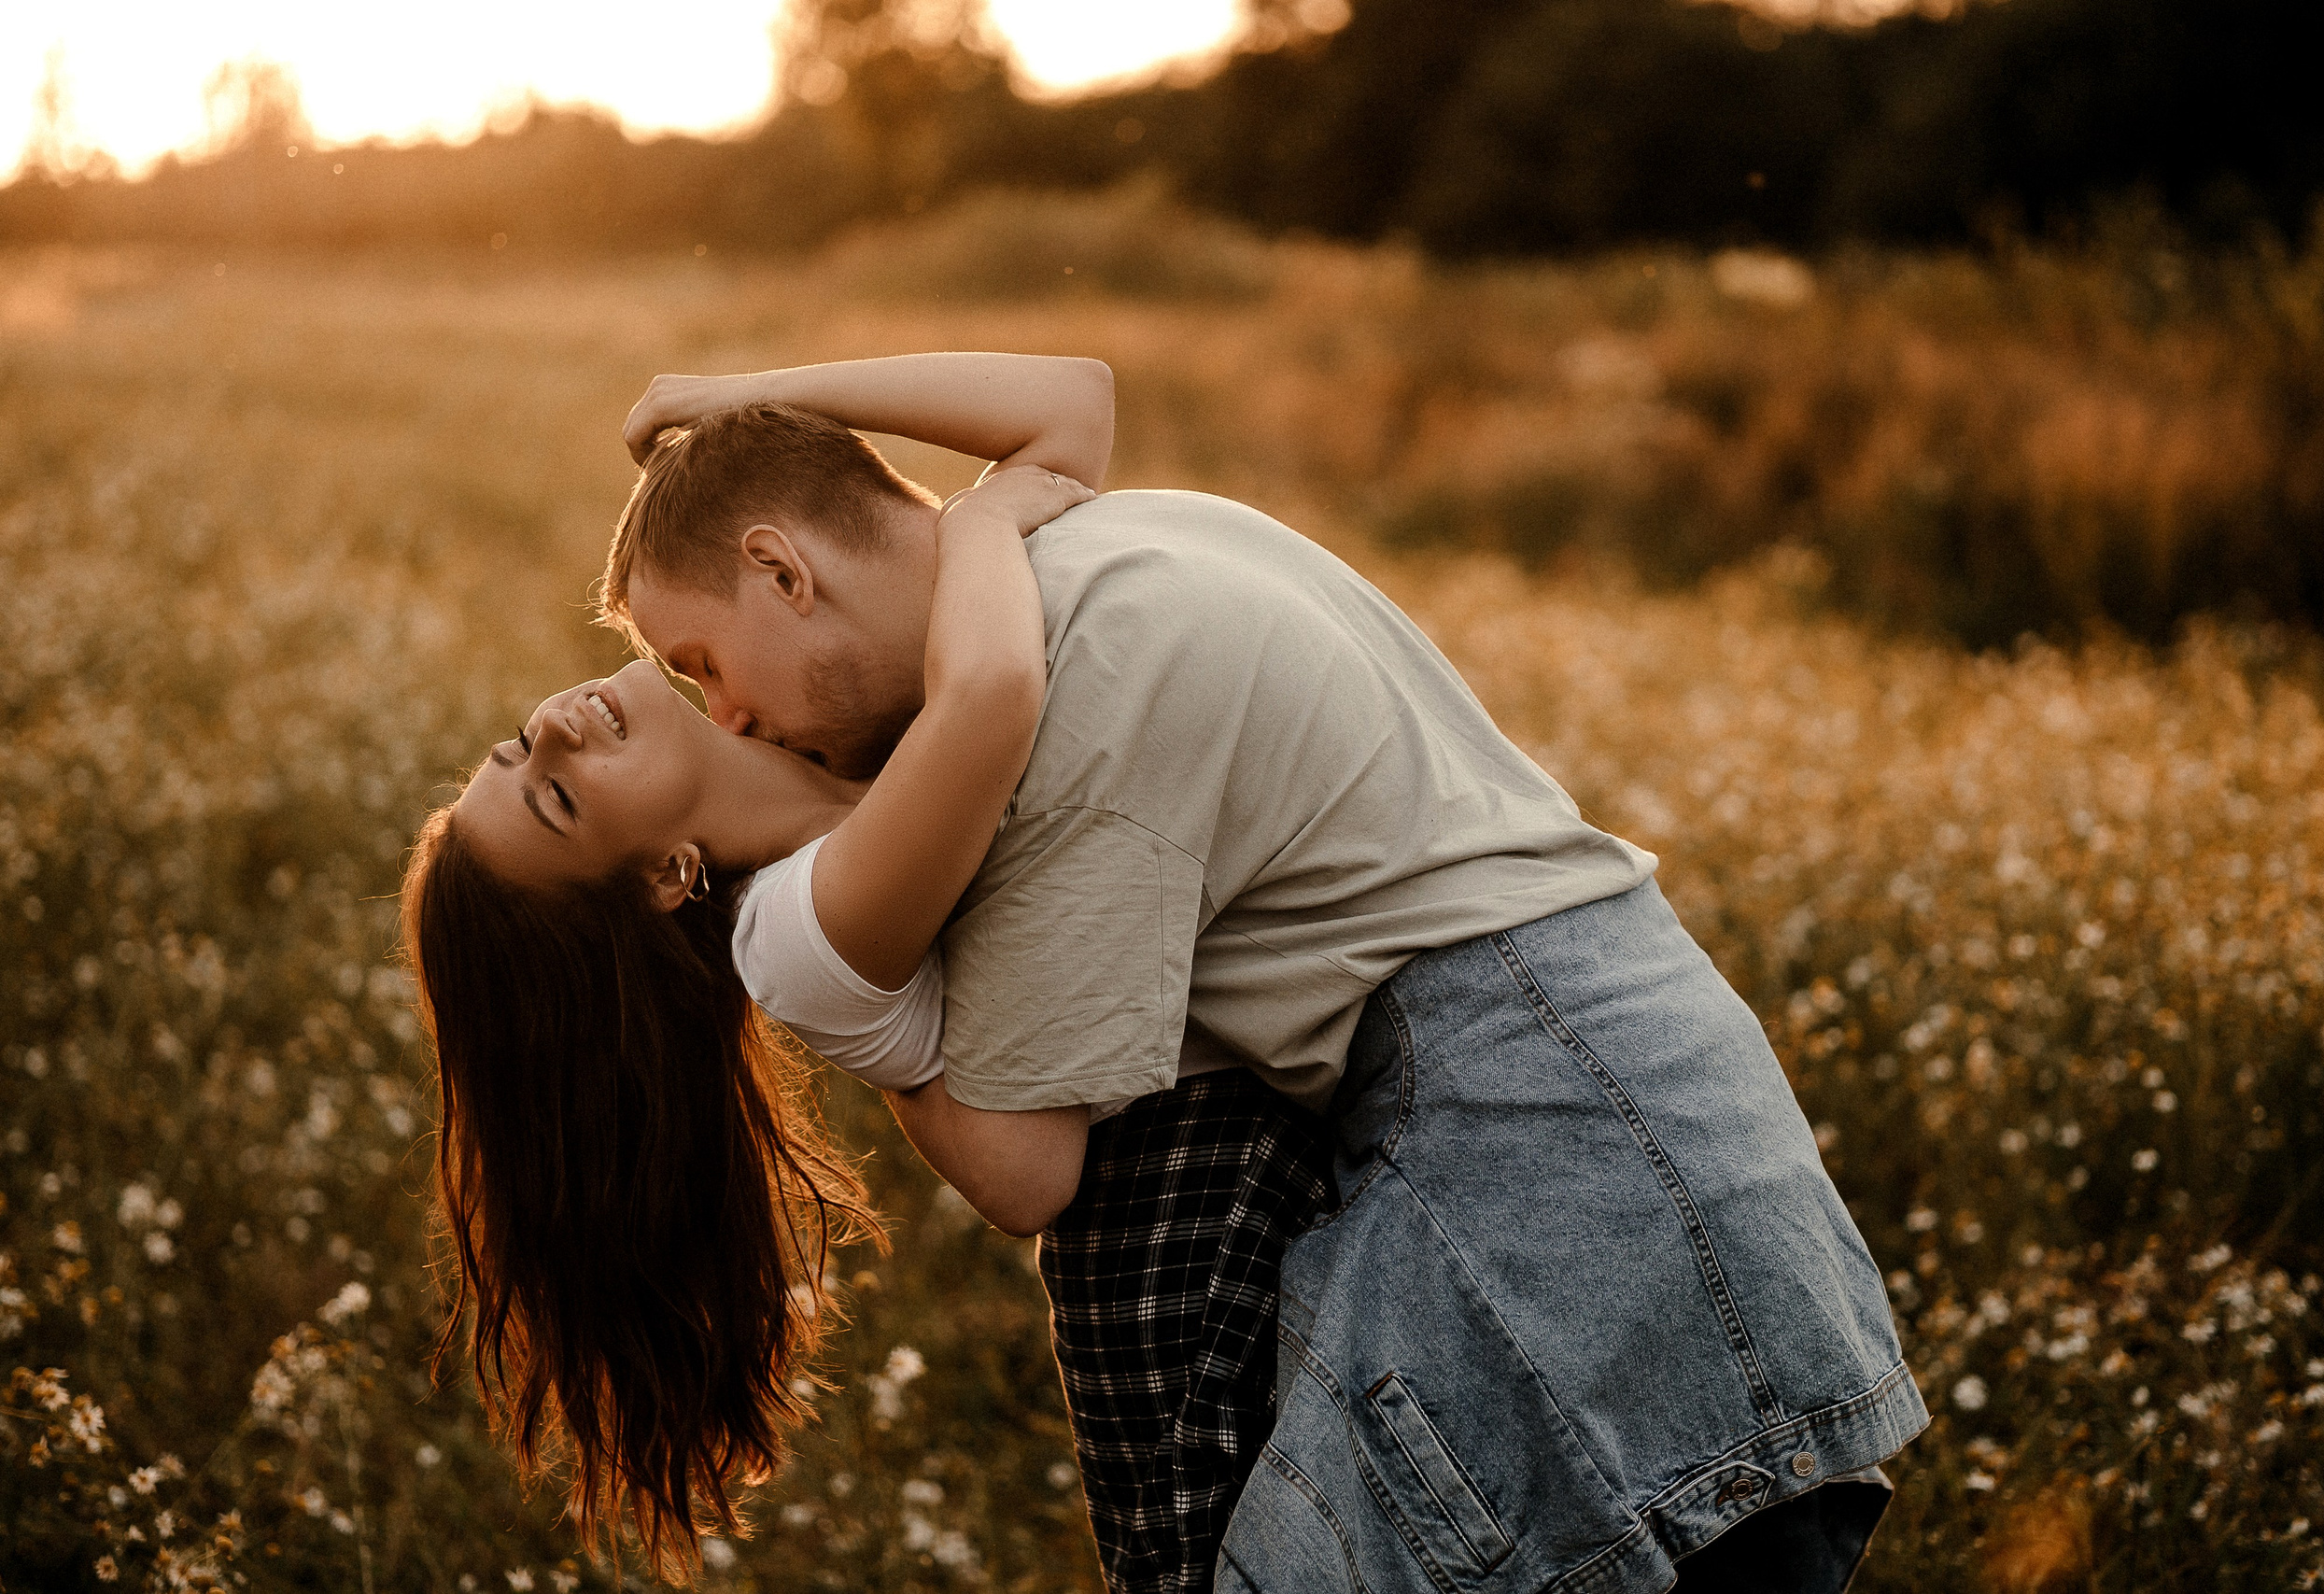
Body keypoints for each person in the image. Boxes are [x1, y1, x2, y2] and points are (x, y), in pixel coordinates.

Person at [597, 353, 1928, 1594]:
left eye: (703, 663)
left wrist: (843, 996)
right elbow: (1071, 392)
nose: (726, 713)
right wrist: (743, 399)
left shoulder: (1075, 691)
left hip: (1560, 1180)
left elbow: (1024, 1163)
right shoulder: (1101, 538)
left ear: (782, 568)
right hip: (1642, 1136)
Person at [402, 379, 1099, 1582]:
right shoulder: (796, 922)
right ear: (669, 878)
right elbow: (994, 696)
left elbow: (1074, 408)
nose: (555, 730)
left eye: (517, 752)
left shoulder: (848, 720)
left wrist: (741, 401)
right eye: (558, 799)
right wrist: (982, 522)